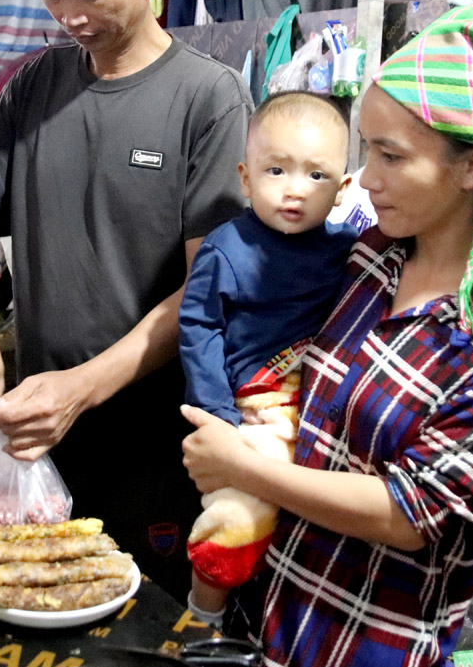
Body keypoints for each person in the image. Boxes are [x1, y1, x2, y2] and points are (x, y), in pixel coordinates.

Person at [181, 3, 473, 666]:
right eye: (366, 150)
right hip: (275, 617)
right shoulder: (371, 257)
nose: (365, 178)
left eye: (390, 155)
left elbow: (409, 516)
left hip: (369, 644)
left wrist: (246, 466)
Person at [0, 0, 253, 598]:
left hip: (153, 449)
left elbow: (208, 291)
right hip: (36, 445)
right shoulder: (34, 86)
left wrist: (83, 386)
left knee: (143, 634)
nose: (70, 14)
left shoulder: (210, 100)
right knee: (29, 612)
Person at [178, 92, 359, 621]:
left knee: (312, 526)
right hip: (259, 404)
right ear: (245, 176)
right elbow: (199, 328)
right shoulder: (227, 248)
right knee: (238, 514)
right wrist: (220, 417)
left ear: (344, 188)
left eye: (316, 176)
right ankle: (203, 613)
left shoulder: (351, 250)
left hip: (326, 400)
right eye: (276, 170)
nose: (294, 190)